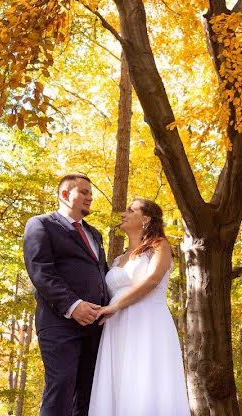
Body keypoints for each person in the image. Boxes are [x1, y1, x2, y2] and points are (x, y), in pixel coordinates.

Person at [88, 198, 191, 416]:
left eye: (130, 210)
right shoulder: (117, 259)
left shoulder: (159, 246)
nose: (123, 214)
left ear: (145, 219)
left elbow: (152, 280)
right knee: (118, 383)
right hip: (117, 327)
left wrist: (115, 307)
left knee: (144, 380)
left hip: (148, 323)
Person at [23, 174, 109, 416]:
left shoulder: (95, 234)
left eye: (90, 193)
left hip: (96, 325)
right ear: (64, 195)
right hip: (59, 323)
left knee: (88, 393)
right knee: (61, 385)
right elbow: (40, 270)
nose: (90, 197)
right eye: (83, 192)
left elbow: (103, 274)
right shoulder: (41, 224)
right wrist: (73, 305)